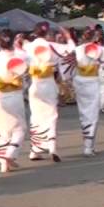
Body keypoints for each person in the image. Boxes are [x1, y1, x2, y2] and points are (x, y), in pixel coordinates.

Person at [25, 23, 74, 161]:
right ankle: (51, 146)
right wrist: (68, 36)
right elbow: (71, 49)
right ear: (47, 34)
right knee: (51, 115)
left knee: (36, 116)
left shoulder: (28, 46)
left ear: (35, 33)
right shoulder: (52, 46)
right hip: (49, 83)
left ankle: (35, 150)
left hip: (35, 84)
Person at [0, 36, 29, 173]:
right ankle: (10, 153)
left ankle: (3, 163)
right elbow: (26, 77)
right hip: (15, 95)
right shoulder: (21, 57)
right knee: (19, 127)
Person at [72, 31, 104, 157]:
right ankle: (88, 146)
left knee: (83, 113)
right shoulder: (99, 49)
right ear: (94, 37)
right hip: (92, 82)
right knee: (92, 115)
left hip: (79, 81)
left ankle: (89, 145)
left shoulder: (76, 50)